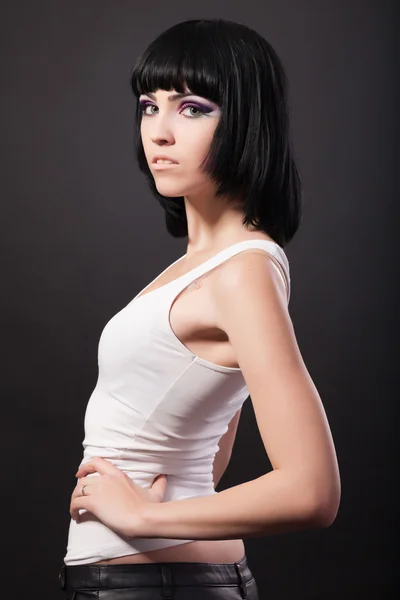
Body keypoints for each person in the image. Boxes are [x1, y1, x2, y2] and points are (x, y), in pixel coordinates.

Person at [59, 17, 341, 599]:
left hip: (161, 585)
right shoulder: (203, 267)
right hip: (141, 581)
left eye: (192, 108)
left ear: (245, 121)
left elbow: (313, 491)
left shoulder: (242, 271)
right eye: (148, 106)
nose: (159, 131)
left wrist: (142, 519)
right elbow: (203, 433)